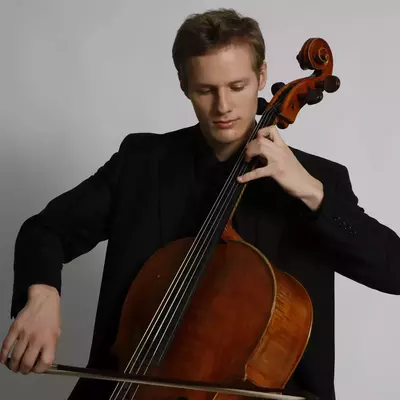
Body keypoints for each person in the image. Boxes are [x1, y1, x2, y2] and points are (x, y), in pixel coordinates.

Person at [1, 8, 400, 400]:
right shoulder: (142, 164)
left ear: (262, 76)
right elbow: (45, 230)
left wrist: (311, 192)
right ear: (183, 84)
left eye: (238, 87)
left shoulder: (320, 180)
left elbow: (393, 270)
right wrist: (42, 294)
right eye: (206, 90)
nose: (223, 106)